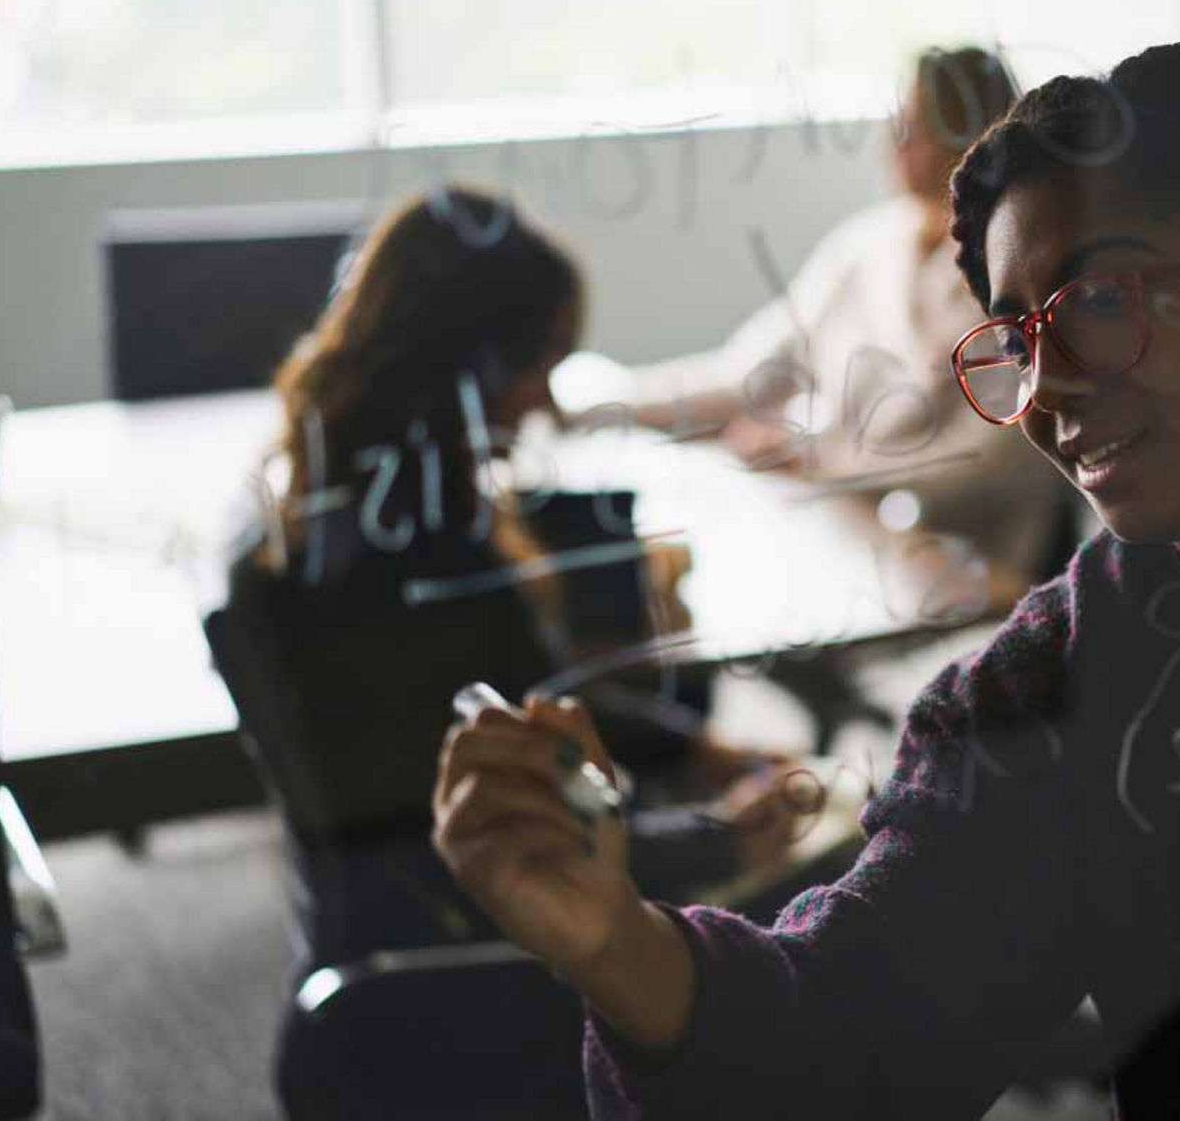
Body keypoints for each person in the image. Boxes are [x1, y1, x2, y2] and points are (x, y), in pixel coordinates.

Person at [430, 44, 1180, 1117]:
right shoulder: (1059, 687)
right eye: (1018, 338)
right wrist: (617, 941)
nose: (1047, 389)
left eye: (1105, 301)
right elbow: (856, 1024)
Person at [228, 187, 797, 966]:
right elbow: (504, 850)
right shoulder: (418, 567)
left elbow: (524, 697)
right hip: (466, 953)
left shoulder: (343, 505)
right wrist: (724, 839)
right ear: (470, 361)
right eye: (541, 364)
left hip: (399, 912)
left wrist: (698, 749)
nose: (546, 401)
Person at [588, 46, 1071, 589]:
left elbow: (992, 459)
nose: (894, 141)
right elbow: (749, 373)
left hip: (978, 570)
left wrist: (821, 461)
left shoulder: (1016, 274)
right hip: (856, 541)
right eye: (897, 122)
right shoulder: (866, 248)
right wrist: (604, 404)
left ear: (975, 136)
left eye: (915, 125)